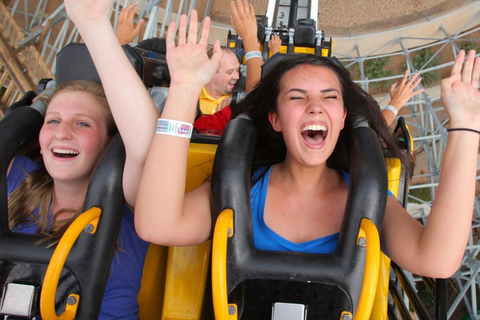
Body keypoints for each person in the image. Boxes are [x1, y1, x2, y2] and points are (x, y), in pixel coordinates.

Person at [134, 5, 480, 279]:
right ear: (275, 120)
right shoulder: (240, 187)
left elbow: (436, 260)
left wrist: (465, 127)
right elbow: (157, 225)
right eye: (297, 97)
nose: (315, 106)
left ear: (343, 117)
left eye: (329, 97)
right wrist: (183, 90)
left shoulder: (367, 195)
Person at [7, 80, 151, 319]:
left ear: (110, 144)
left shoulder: (127, 208)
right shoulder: (18, 181)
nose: (62, 133)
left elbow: (142, 132)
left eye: (82, 123)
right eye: (53, 121)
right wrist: (33, 109)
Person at [198, 46, 240, 115]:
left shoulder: (239, 101)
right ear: (211, 72)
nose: (237, 77)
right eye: (230, 72)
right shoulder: (193, 96)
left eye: (237, 70)